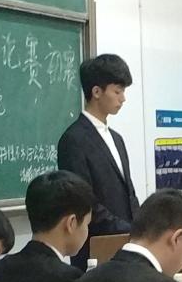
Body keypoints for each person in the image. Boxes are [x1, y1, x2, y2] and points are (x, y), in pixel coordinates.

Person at [57, 53, 140, 269]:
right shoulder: (73, 140)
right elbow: (84, 202)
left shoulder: (117, 139)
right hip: (94, 251)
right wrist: (128, 229)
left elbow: (129, 194)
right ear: (96, 92)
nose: (123, 98)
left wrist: (141, 227)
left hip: (126, 246)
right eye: (117, 91)